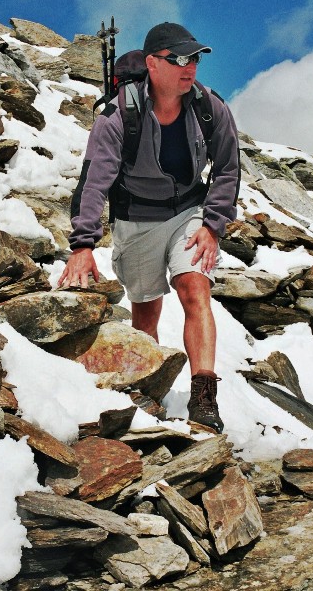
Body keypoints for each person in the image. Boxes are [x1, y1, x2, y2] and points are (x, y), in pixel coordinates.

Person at [58, 22, 240, 433]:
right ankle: (149, 387)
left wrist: (213, 225)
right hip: (135, 219)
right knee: (145, 312)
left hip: (189, 213)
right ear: (152, 63)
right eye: (178, 58)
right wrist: (83, 244)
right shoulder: (118, 114)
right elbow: (95, 179)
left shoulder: (210, 107)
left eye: (194, 57)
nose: (189, 66)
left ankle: (204, 395)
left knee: (195, 288)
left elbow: (228, 169)